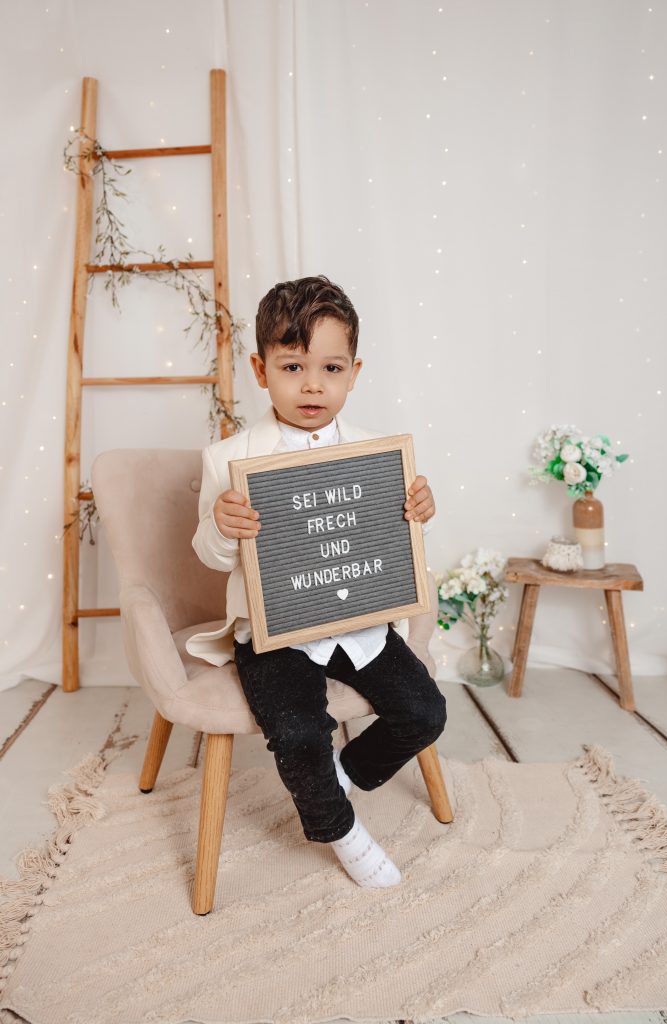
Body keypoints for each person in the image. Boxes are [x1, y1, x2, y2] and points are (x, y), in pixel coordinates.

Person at [187, 275, 447, 888]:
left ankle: (341, 776)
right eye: (292, 366)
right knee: (299, 730)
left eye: (331, 368)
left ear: (354, 373)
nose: (312, 385)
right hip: (273, 631)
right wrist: (222, 526)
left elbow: (390, 546)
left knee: (425, 711)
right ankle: (339, 828)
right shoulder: (228, 459)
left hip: (357, 619)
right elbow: (211, 557)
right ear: (261, 370)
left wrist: (418, 513)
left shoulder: (377, 452)